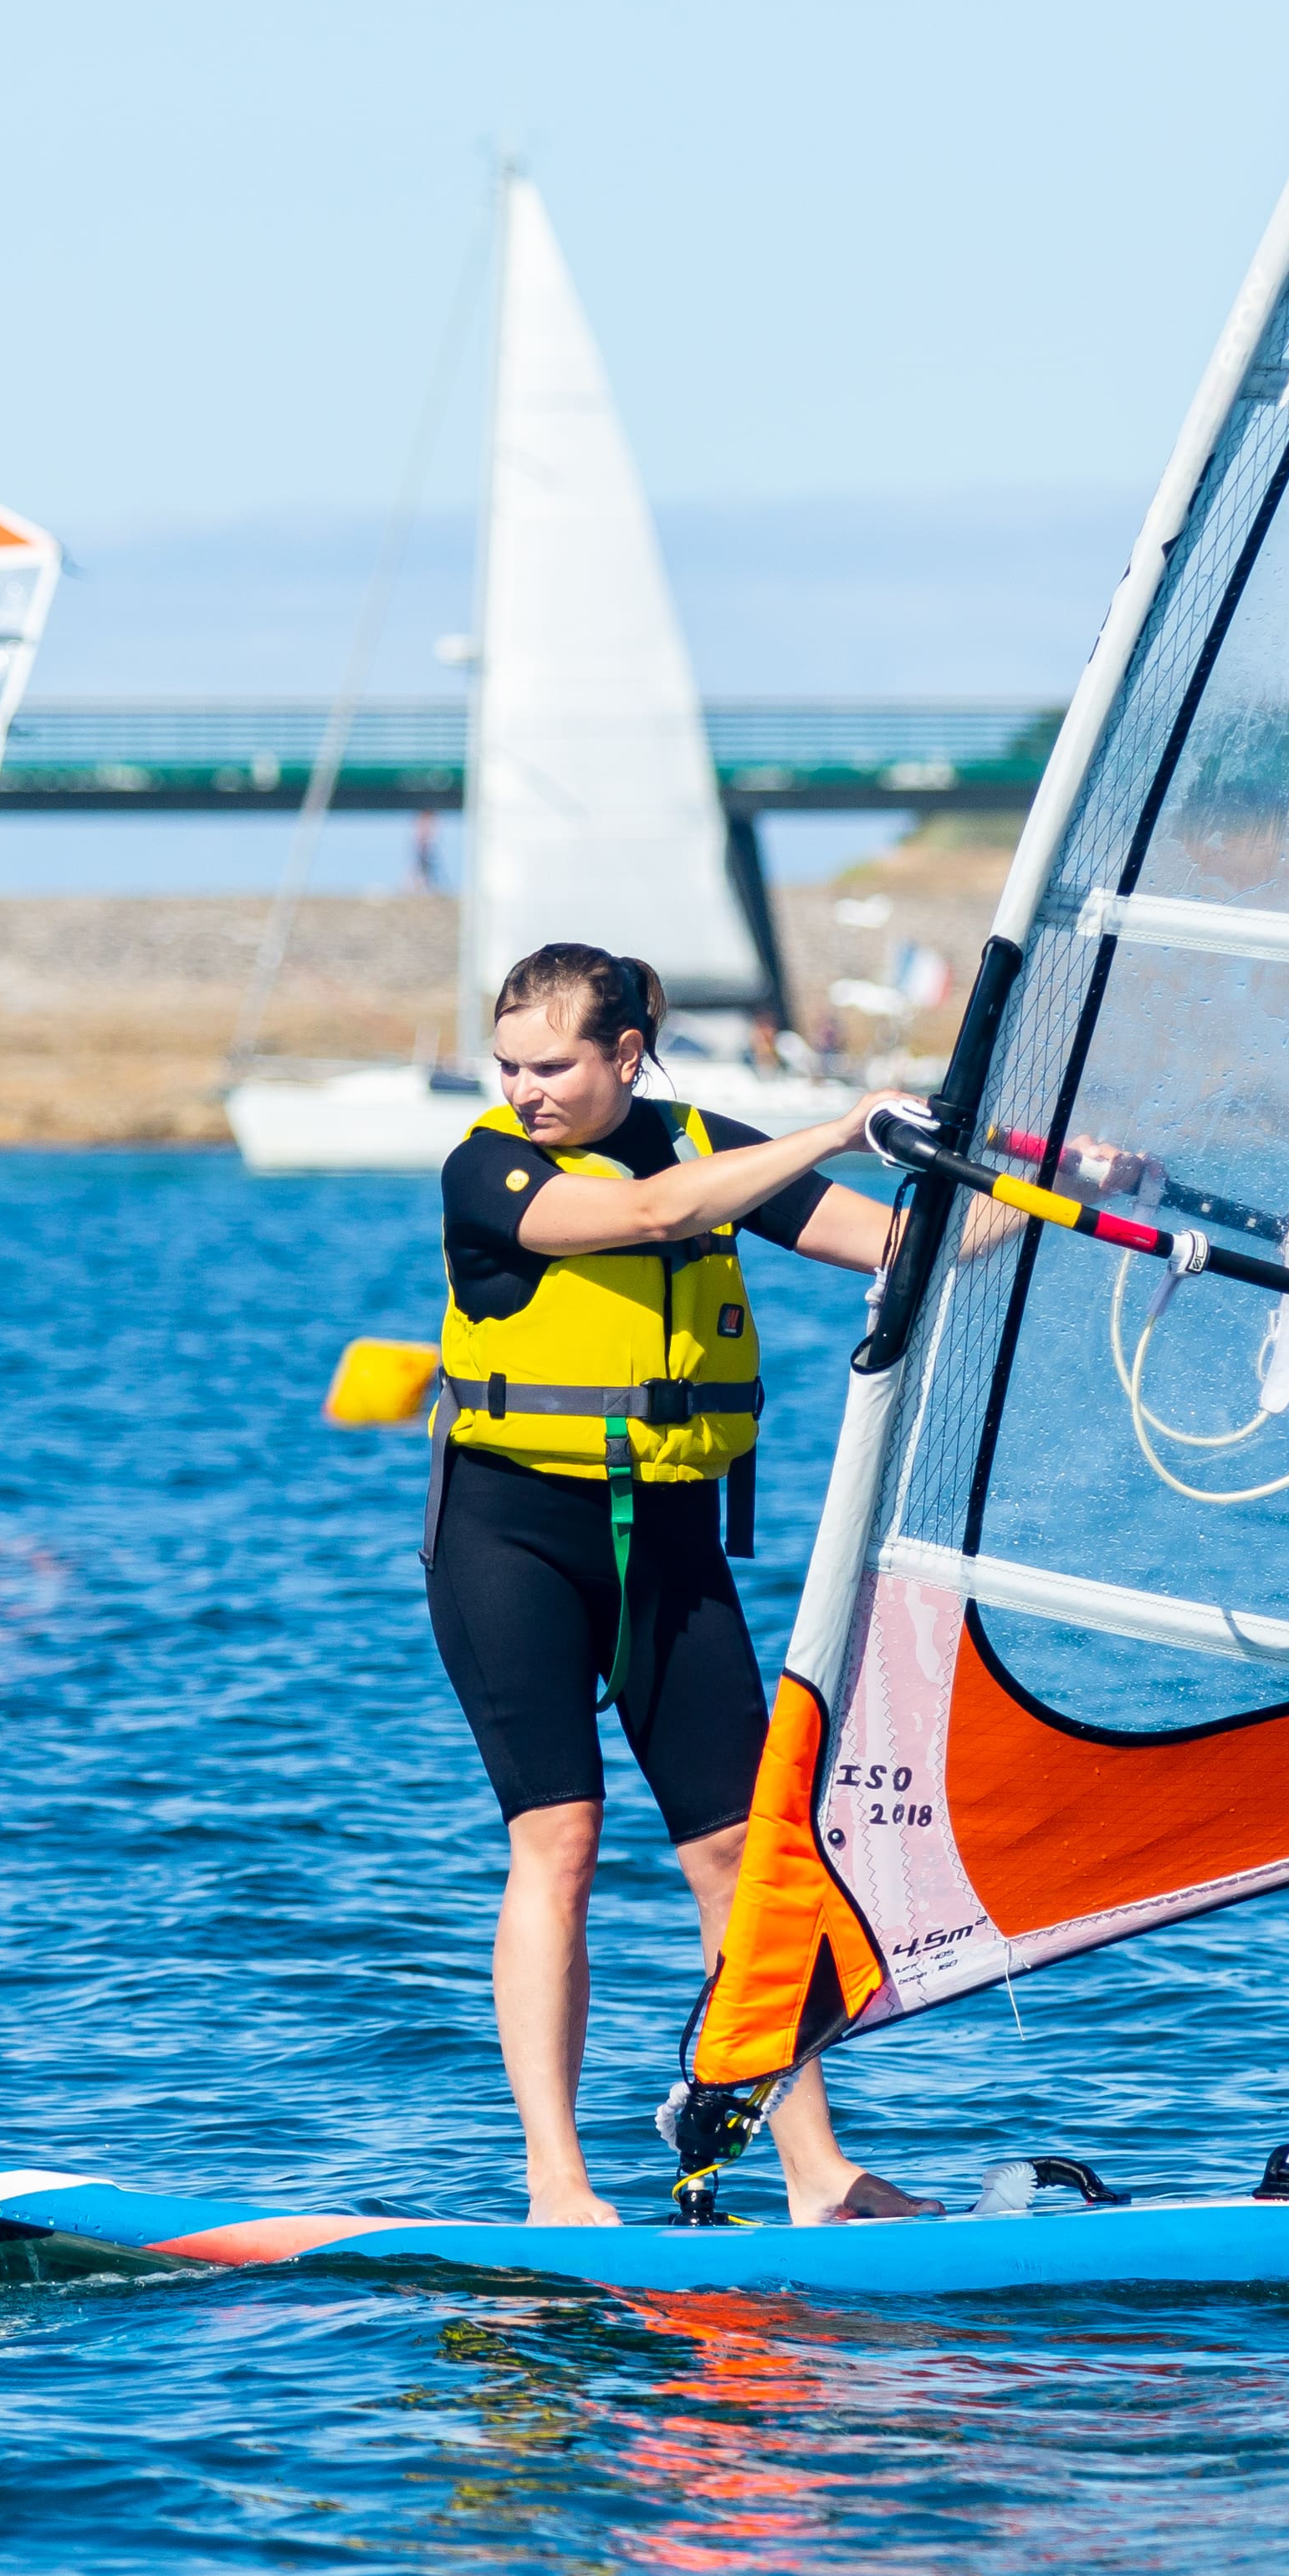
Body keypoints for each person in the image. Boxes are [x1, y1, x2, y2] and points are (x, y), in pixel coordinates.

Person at [428, 940, 926, 2228]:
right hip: (510, 1538)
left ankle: (816, 2172)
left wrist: (1050, 1187)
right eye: (511, 1062)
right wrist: (839, 1123)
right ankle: (558, 2183)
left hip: (672, 1537)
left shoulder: (703, 1140)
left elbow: (896, 1245)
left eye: (554, 1064)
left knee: (740, 1852)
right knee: (561, 1838)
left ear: (626, 1056)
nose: (524, 1085)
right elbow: (656, 1215)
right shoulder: (489, 1166)